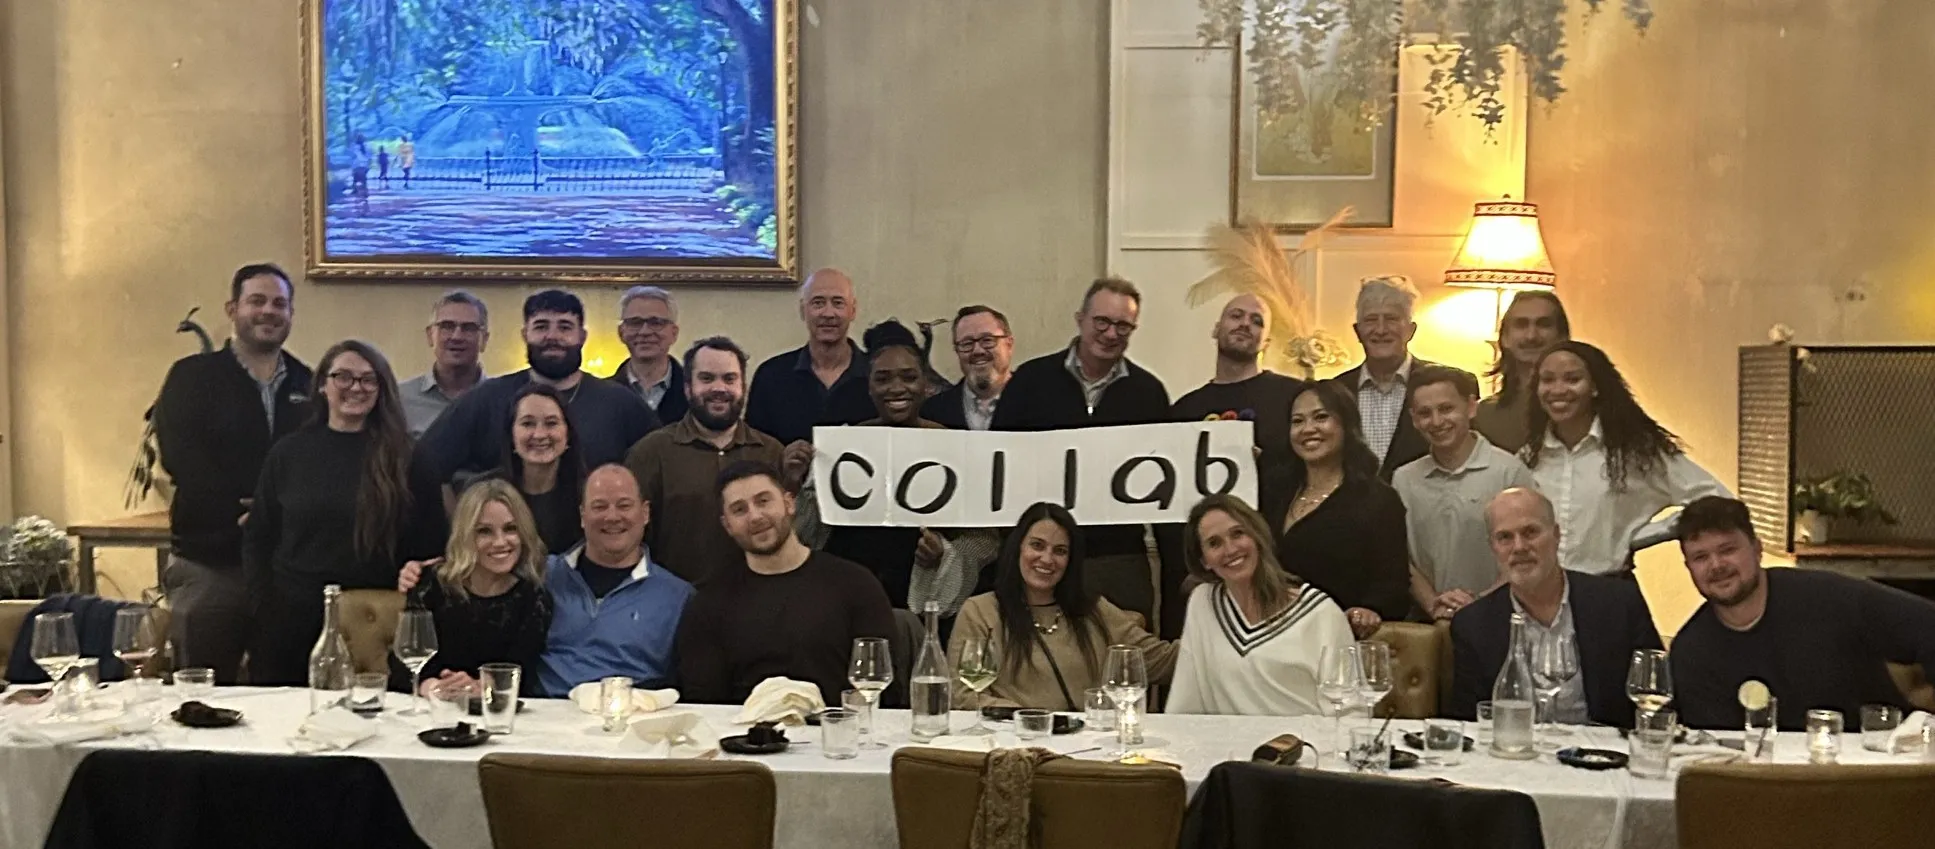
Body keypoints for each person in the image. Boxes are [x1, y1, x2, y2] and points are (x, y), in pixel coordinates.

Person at [243, 341, 447, 685]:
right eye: (344, 377)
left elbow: (431, 546)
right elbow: (258, 538)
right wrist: (264, 606)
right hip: (291, 619)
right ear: (323, 385)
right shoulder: (289, 453)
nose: (356, 387)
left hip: (378, 620)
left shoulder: (408, 457)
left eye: (369, 380)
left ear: (381, 390)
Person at [155, 263, 312, 683]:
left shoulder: (309, 383)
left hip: (283, 574)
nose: (269, 311)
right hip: (210, 564)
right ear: (232, 308)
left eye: (280, 303)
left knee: (281, 698)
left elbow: (312, 465)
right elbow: (181, 457)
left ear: (291, 314)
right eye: (256, 301)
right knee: (200, 697)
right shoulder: (192, 377)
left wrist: (272, 516)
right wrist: (251, 512)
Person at [993, 277, 1173, 629]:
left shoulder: (1149, 393)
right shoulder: (1031, 381)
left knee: (1124, 667)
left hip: (1119, 559)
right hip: (1042, 557)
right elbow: (998, 465)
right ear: (1080, 319)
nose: (1110, 333)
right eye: (1102, 322)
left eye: (1123, 326)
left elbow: (1167, 483)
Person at [1669, 496, 1935, 731]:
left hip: (1879, 765)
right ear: (1688, 567)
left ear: (1757, 549)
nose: (1716, 566)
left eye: (1728, 550)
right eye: (1700, 557)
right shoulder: (1691, 653)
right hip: (1766, 782)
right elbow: (1714, 754)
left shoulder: (1830, 597)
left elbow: (1927, 625)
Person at [797, 321, 1001, 616]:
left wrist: (945, 554)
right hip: (848, 599)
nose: (896, 388)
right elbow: (808, 535)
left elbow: (985, 539)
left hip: (923, 604)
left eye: (908, 377)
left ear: (925, 385)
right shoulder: (846, 445)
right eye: (883, 378)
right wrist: (801, 485)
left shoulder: (953, 446)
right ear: (869, 386)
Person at [675, 461, 896, 706]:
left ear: (789, 503)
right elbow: (706, 703)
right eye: (739, 510)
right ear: (727, 525)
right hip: (746, 737)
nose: (755, 516)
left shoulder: (856, 584)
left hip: (837, 735)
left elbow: (879, 687)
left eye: (763, 501)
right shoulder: (709, 602)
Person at [1448, 488, 1663, 727]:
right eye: (1505, 537)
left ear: (1556, 535)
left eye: (1530, 532)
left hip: (1605, 755)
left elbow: (1657, 699)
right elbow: (1467, 723)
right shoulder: (1473, 624)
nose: (1519, 547)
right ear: (1493, 547)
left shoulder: (1620, 603)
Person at [1523, 340, 1730, 574]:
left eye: (1572, 379)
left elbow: (1717, 499)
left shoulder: (1634, 451)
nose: (1558, 390)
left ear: (1595, 387)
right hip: (1541, 593)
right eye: (1548, 380)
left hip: (1608, 589)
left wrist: (1639, 535)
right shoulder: (1530, 455)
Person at [947, 502, 1175, 712]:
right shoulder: (979, 611)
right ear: (1017, 548)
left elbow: (1163, 661)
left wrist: (1206, 610)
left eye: (1060, 551)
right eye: (1037, 546)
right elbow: (963, 696)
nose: (1047, 559)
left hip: (1086, 746)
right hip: (1013, 743)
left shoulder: (1094, 610)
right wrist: (1034, 720)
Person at [418, 290, 659, 487]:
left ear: (582, 336)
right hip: (503, 542)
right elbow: (425, 466)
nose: (552, 336)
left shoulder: (621, 404)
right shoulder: (485, 399)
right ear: (525, 334)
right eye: (541, 327)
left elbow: (658, 472)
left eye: (565, 327)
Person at [1168, 494, 1353, 716]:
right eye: (1214, 543)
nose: (1230, 549)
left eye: (1238, 534)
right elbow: (1186, 699)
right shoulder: (1202, 602)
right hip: (1226, 747)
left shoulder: (1322, 613)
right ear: (1204, 560)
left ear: (1256, 536)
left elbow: (1349, 711)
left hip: (1305, 746)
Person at [625, 337, 784, 586]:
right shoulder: (651, 453)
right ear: (688, 388)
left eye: (729, 379)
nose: (719, 388)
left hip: (761, 603)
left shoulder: (771, 452)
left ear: (744, 387)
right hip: (677, 606)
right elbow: (631, 540)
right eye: (707, 378)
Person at [1265, 381, 1410, 637]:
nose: (1308, 429)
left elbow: (1393, 586)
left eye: (1321, 417)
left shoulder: (1378, 499)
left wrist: (1368, 610)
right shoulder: (1275, 493)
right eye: (1297, 421)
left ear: (1346, 424)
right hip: (1271, 634)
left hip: (1339, 641)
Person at [1392, 365, 1537, 621]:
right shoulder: (1404, 479)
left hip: (1499, 617)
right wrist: (1434, 605)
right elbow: (1401, 557)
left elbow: (1525, 551)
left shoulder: (1508, 472)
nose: (1436, 422)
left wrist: (1477, 608)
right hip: (1428, 622)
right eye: (1425, 413)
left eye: (1446, 409)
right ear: (1414, 419)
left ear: (1471, 407)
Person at [536, 464, 694, 696]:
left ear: (645, 513)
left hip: (634, 720)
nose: (612, 517)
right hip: (545, 718)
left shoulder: (679, 597)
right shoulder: (542, 575)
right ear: (582, 516)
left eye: (624, 506)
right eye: (599, 506)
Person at [392, 479, 552, 697]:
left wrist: (481, 687)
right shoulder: (431, 584)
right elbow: (402, 665)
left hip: (497, 715)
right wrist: (434, 688)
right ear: (465, 535)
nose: (500, 542)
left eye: (510, 529)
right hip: (433, 710)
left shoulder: (533, 597)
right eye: (484, 531)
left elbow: (522, 674)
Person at [1334, 276, 1439, 479]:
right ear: (1357, 331)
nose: (1380, 330)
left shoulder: (1440, 386)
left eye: (1391, 319)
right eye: (1371, 320)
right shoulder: (1336, 390)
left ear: (1411, 330)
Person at [746, 268, 866, 447]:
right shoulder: (771, 376)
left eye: (838, 303)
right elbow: (754, 450)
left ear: (853, 311)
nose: (828, 313)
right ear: (803, 311)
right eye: (818, 303)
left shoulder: (877, 376)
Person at [485, 383, 586, 555]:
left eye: (551, 423)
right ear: (511, 435)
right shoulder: (484, 494)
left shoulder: (590, 493)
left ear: (568, 433)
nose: (539, 434)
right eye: (528, 424)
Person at [1475, 290, 1569, 452]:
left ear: (1562, 336)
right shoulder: (1483, 417)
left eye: (1543, 324)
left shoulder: (1584, 412)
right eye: (1521, 325)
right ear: (1504, 337)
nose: (1531, 336)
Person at [400, 291, 490, 439]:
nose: (457, 336)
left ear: (484, 339)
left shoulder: (503, 400)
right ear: (430, 335)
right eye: (447, 326)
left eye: (468, 328)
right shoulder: (400, 401)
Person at [922, 304, 1015, 430]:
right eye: (967, 343)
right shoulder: (931, 413)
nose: (977, 351)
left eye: (987, 340)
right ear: (956, 351)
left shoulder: (1039, 405)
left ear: (1009, 344)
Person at [609, 286, 688, 427]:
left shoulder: (695, 393)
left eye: (656, 323)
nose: (645, 331)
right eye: (635, 322)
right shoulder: (601, 395)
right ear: (621, 332)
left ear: (674, 333)